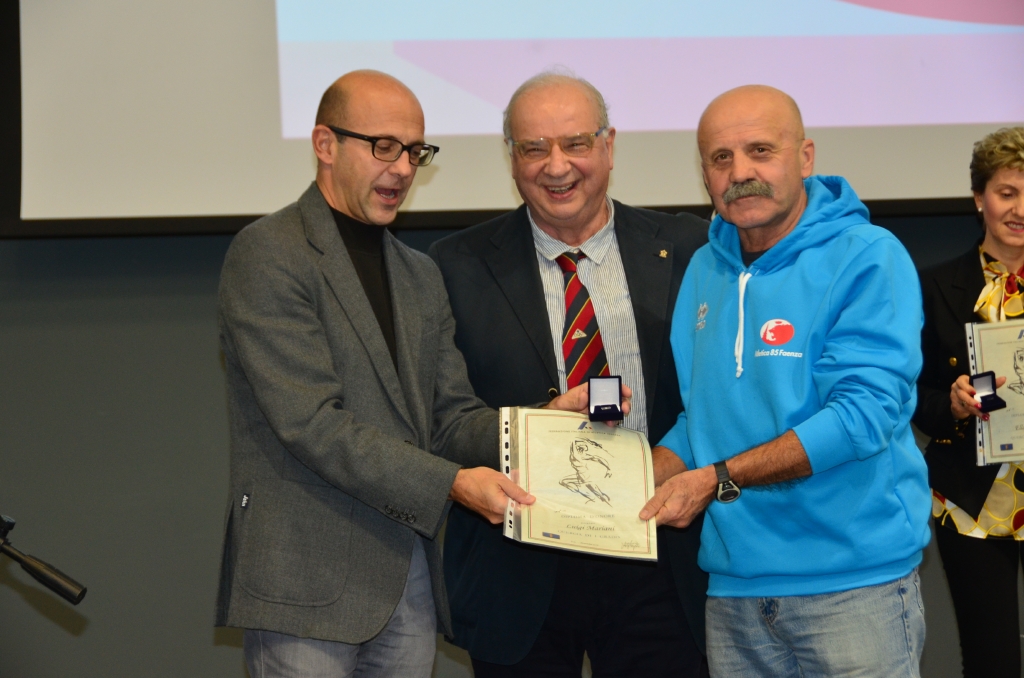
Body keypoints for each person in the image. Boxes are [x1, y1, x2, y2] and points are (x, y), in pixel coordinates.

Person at [213, 70, 598, 678]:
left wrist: (534, 425)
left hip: (408, 579)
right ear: (325, 144)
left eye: (414, 151)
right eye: (383, 146)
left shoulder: (419, 273)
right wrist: (452, 485)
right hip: (305, 581)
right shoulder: (269, 253)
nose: (401, 169)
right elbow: (312, 424)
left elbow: (450, 418)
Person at [641, 84, 931, 677]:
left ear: (805, 157)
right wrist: (626, 481)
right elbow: (702, 421)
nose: (739, 173)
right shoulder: (704, 270)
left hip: (853, 589)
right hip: (734, 592)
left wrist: (717, 478)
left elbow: (861, 418)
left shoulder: (867, 256)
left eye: (760, 151)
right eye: (721, 158)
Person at [429, 72, 709, 677]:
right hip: (518, 567)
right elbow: (440, 419)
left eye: (576, 143)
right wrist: (533, 428)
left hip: (659, 559)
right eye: (534, 148)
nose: (556, 166)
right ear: (511, 158)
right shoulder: (454, 266)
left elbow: (721, 395)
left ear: (609, 145)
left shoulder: (690, 247)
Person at [914, 126, 1024, 678]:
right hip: (971, 496)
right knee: (991, 657)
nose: (1020, 209)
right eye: (1007, 193)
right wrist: (952, 404)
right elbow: (910, 392)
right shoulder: (935, 284)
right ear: (979, 198)